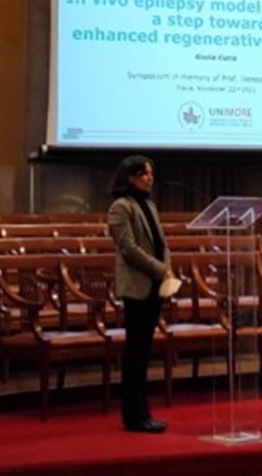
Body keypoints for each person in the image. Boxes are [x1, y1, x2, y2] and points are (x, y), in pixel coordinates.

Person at [107, 155, 172, 433]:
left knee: (144, 352)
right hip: (137, 286)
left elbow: (160, 243)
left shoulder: (149, 205)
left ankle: (143, 412)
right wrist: (159, 269)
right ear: (130, 176)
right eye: (144, 173)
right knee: (135, 353)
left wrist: (167, 267)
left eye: (151, 173)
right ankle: (134, 416)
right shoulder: (120, 207)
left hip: (154, 285)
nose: (150, 178)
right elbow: (129, 249)